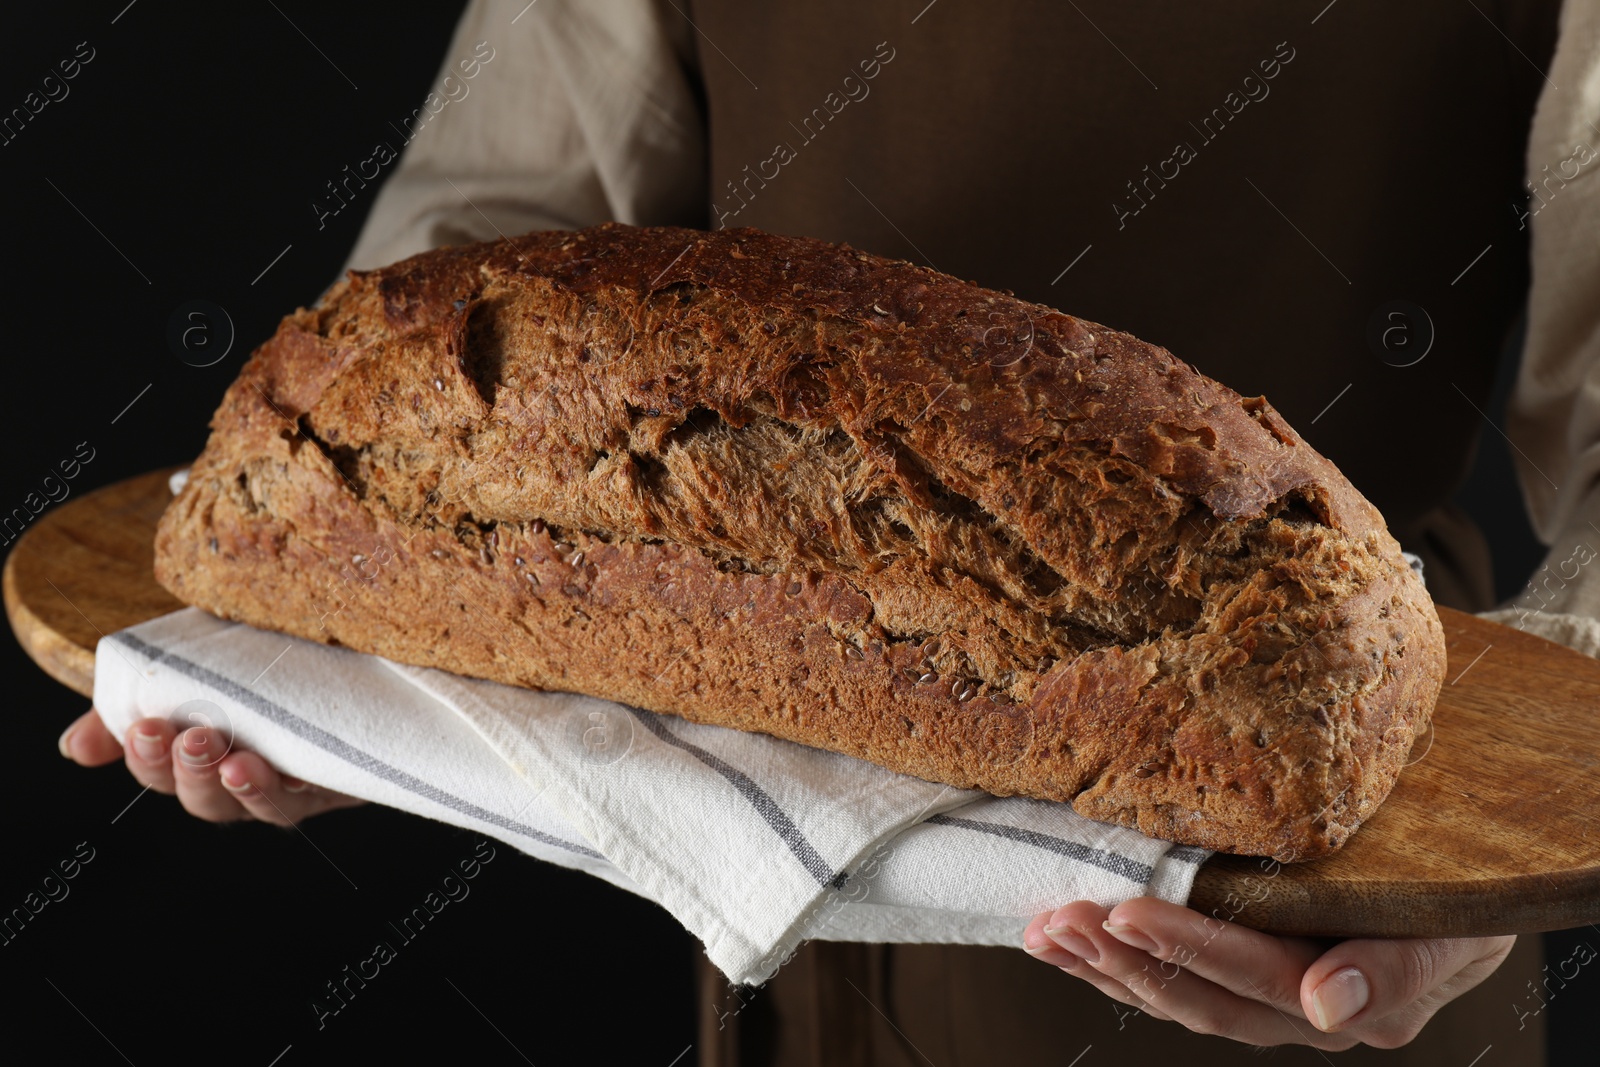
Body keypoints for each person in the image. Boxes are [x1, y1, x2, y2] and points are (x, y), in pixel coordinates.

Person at [60, 0, 1600, 1061]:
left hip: (1318, 932)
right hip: (776, 946)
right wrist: (395, 701)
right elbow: (461, 287)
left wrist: (1488, 870)